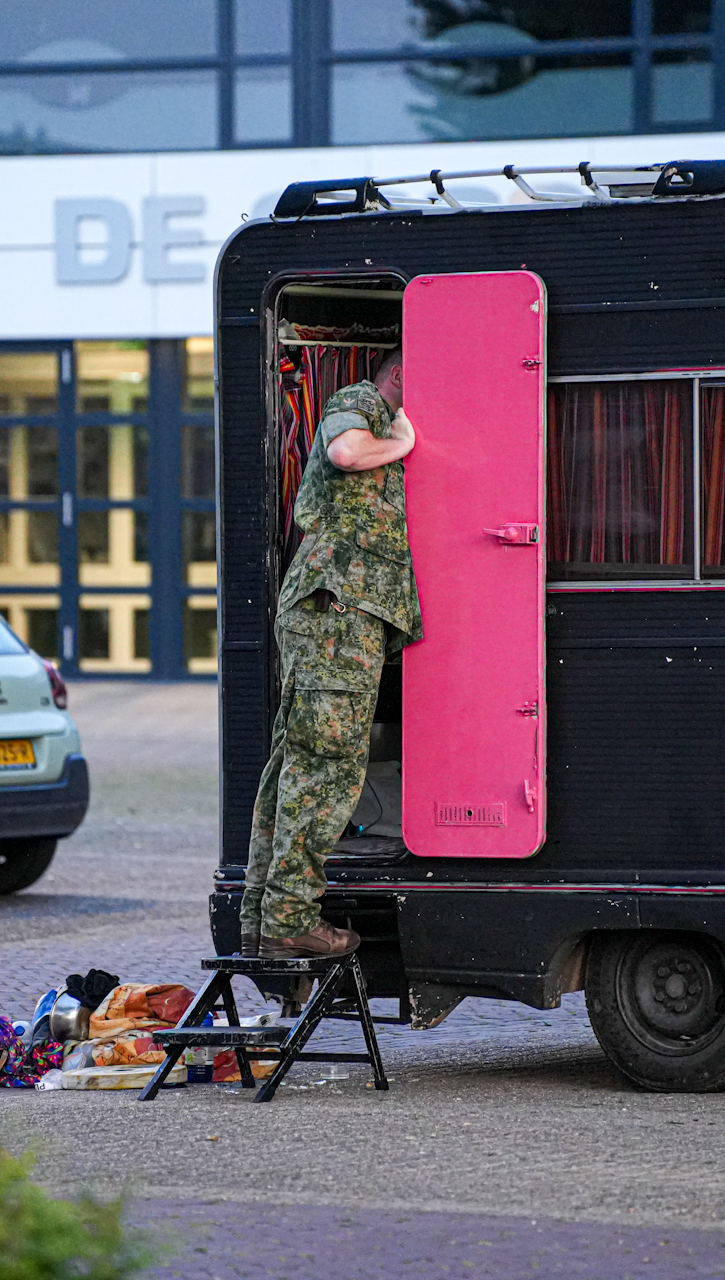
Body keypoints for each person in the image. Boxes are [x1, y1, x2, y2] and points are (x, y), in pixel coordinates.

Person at [241, 345, 419, 959]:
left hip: (331, 615)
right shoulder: (363, 404)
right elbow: (346, 453)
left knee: (297, 761)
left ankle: (264, 915)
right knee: (329, 767)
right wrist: (403, 442)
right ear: (399, 375)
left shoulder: (378, 417)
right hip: (336, 619)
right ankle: (290, 918)